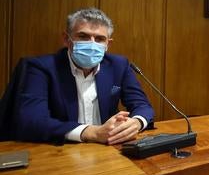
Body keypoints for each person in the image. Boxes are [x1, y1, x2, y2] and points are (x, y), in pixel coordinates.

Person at [10, 8, 154, 144]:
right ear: (66, 39)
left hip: (108, 149)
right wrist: (91, 132)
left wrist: (136, 122)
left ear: (107, 44)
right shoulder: (41, 68)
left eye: (99, 39)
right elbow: (31, 120)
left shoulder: (119, 65)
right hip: (61, 148)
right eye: (83, 36)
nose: (92, 44)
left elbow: (142, 105)